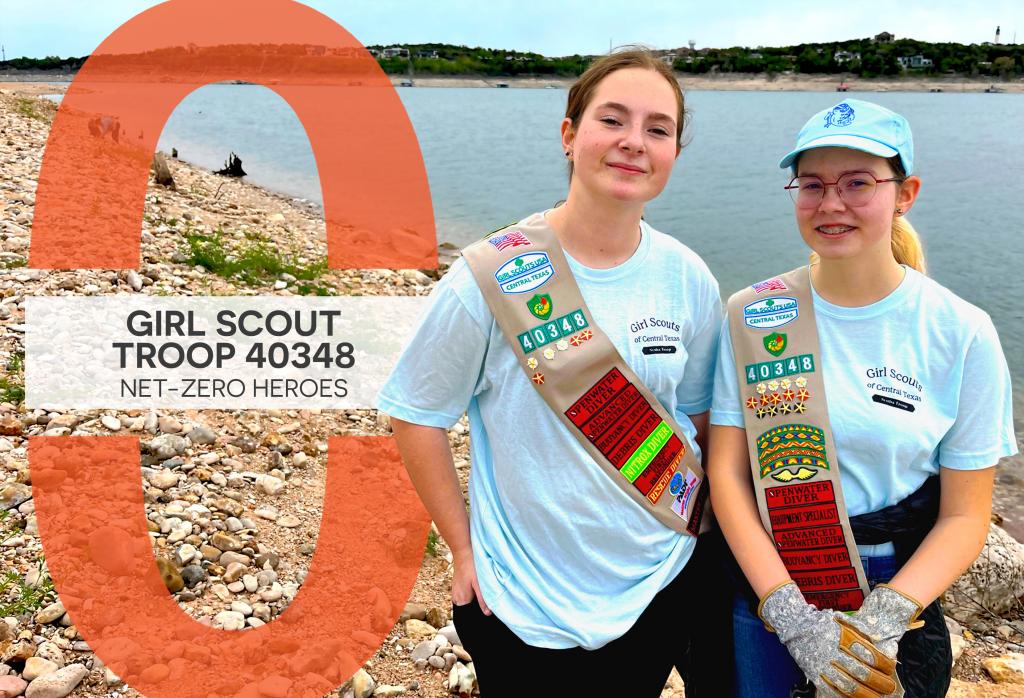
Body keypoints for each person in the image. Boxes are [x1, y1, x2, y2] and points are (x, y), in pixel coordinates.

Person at [378, 48, 732, 696]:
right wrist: (460, 548)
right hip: (520, 601)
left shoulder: (689, 279)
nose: (634, 142)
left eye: (658, 129)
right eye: (613, 120)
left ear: (675, 152)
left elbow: (700, 416)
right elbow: (416, 412)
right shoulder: (488, 278)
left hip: (655, 584)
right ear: (570, 135)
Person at [708, 98, 1017, 698]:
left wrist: (884, 620)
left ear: (905, 194)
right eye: (813, 184)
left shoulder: (960, 330)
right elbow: (728, 475)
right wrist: (792, 617)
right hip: (773, 580)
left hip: (899, 583)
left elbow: (965, 513)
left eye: (858, 183)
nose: (831, 204)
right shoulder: (752, 314)